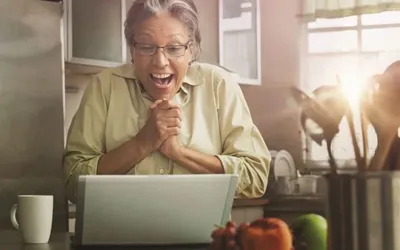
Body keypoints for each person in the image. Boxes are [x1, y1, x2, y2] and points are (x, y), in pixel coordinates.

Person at [63, 0, 271, 204]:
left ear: (192, 50)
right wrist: (143, 142)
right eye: (146, 47)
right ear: (132, 51)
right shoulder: (104, 87)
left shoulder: (219, 86)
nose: (160, 61)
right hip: (116, 238)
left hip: (206, 237)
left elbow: (256, 176)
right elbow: (72, 182)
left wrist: (178, 152)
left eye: (174, 48)